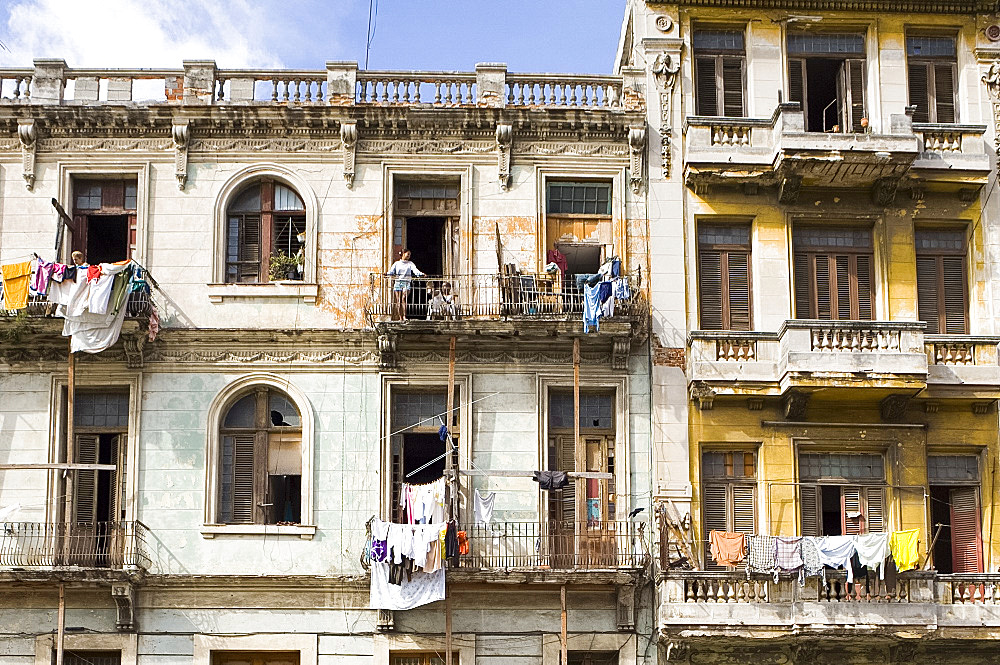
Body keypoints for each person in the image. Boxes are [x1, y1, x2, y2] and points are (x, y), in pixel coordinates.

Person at [387, 249, 425, 321]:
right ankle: (400, 317)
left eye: (409, 255)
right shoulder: (397, 263)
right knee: (398, 300)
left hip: (406, 282)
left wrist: (421, 274)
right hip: (398, 282)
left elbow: (415, 270)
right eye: (408, 254)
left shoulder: (410, 263)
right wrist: (387, 273)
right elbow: (392, 271)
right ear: (403, 254)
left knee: (404, 298)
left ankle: (404, 316)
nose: (409, 256)